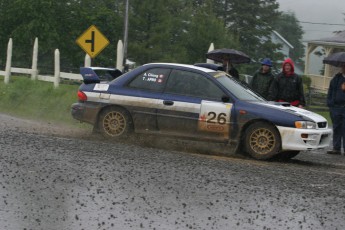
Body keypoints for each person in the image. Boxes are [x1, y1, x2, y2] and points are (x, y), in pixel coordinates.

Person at [326, 63, 345, 155]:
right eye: (343, 66)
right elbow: (330, 91)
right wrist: (330, 104)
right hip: (336, 107)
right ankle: (336, 148)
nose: (344, 68)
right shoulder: (336, 79)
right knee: (336, 128)